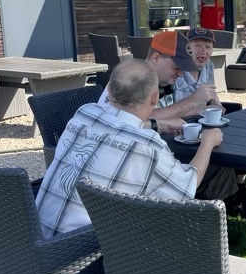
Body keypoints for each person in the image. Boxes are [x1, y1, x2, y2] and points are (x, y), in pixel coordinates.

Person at [37, 59, 223, 238]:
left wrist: (158, 124)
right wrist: (207, 142)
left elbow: (117, 126)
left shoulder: (85, 113)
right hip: (85, 249)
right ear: (155, 98)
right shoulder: (147, 146)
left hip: (35, 239)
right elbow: (187, 188)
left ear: (109, 91)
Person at [98, 31, 246, 217]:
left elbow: (143, 119)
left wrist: (168, 121)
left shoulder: (158, 81)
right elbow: (136, 119)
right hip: (138, 161)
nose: (181, 73)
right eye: (176, 67)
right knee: (212, 156)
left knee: (214, 151)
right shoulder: (133, 80)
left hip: (133, 157)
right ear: (156, 58)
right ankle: (220, 208)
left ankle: (227, 201)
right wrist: (193, 101)